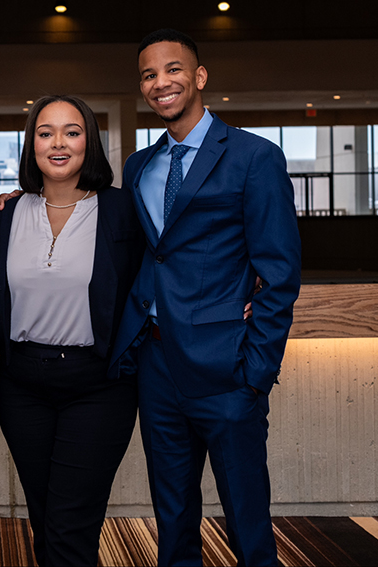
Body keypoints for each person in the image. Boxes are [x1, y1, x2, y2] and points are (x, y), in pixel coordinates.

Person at [113, 29, 301, 566]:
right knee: (172, 520)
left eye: (172, 70)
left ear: (199, 77)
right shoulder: (139, 168)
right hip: (155, 363)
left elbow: (280, 273)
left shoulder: (254, 157)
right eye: (148, 75)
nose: (159, 83)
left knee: (247, 520)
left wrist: (257, 370)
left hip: (228, 368)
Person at [0, 95, 144, 566]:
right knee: (46, 516)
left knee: (73, 520)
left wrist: (248, 276)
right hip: (21, 385)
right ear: (31, 143)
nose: (58, 143)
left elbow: (171, 260)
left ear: (88, 142)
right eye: (45, 132)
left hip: (97, 386)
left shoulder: (121, 211)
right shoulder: (6, 215)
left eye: (72, 132)